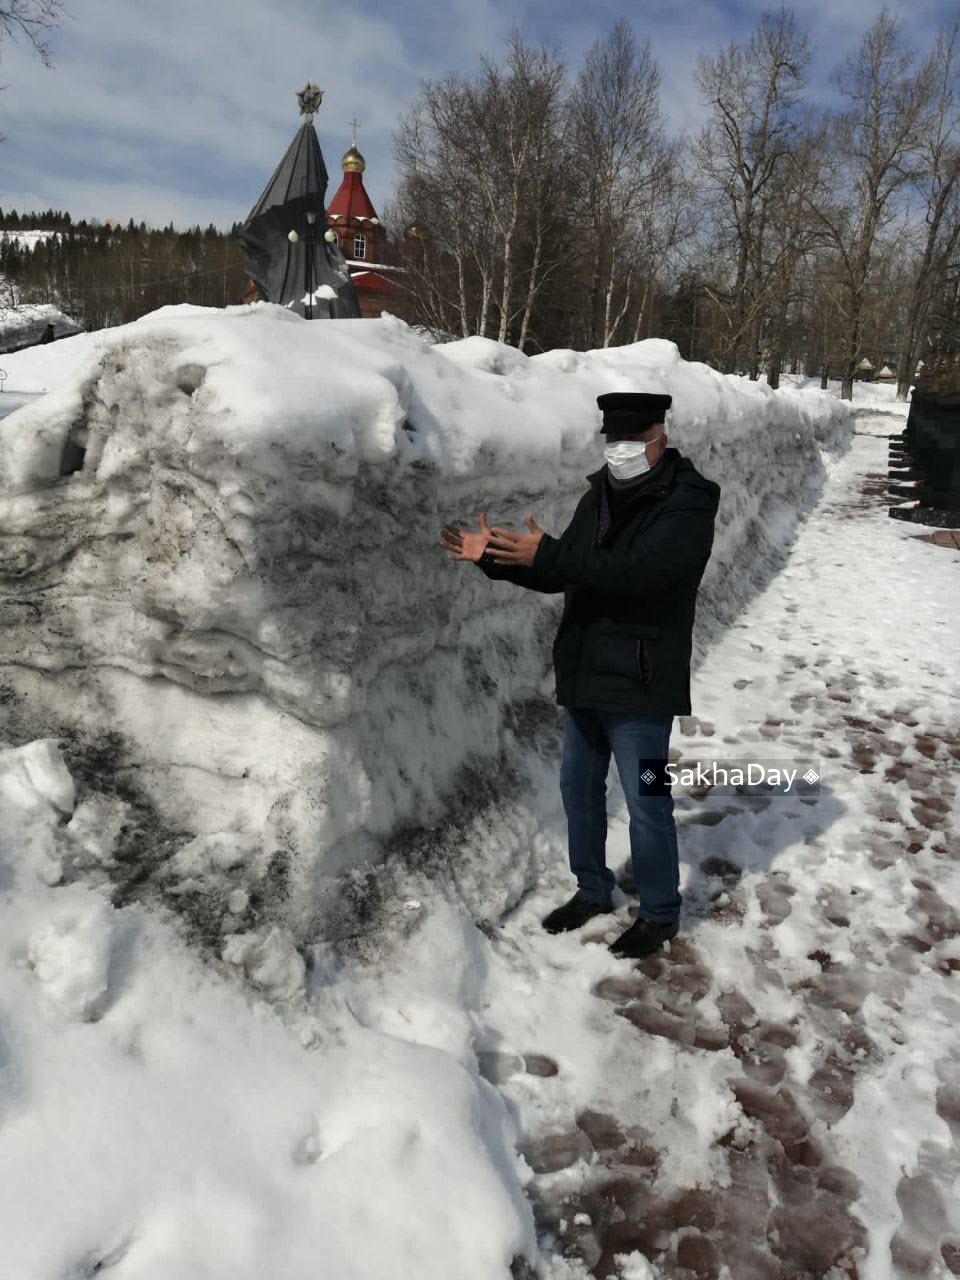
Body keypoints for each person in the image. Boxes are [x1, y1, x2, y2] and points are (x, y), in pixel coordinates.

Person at [439, 391, 721, 959]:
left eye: (630, 443)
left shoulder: (689, 502)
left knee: (647, 800)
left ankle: (661, 914)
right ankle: (593, 889)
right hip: (588, 669)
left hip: (641, 679)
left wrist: (552, 555)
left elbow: (637, 574)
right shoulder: (601, 496)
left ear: (658, 439)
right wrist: (496, 556)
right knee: (579, 790)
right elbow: (566, 569)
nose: (619, 453)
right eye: (611, 442)